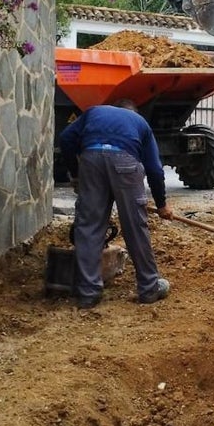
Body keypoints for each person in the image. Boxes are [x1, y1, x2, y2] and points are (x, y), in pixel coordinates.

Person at [58, 99, 174, 308]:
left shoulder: (93, 111)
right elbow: (155, 170)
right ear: (134, 112)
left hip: (91, 159)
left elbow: (66, 138)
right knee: (134, 227)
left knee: (89, 227)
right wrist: (161, 203)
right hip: (126, 163)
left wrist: (76, 175)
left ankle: (88, 293)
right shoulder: (140, 123)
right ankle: (149, 288)